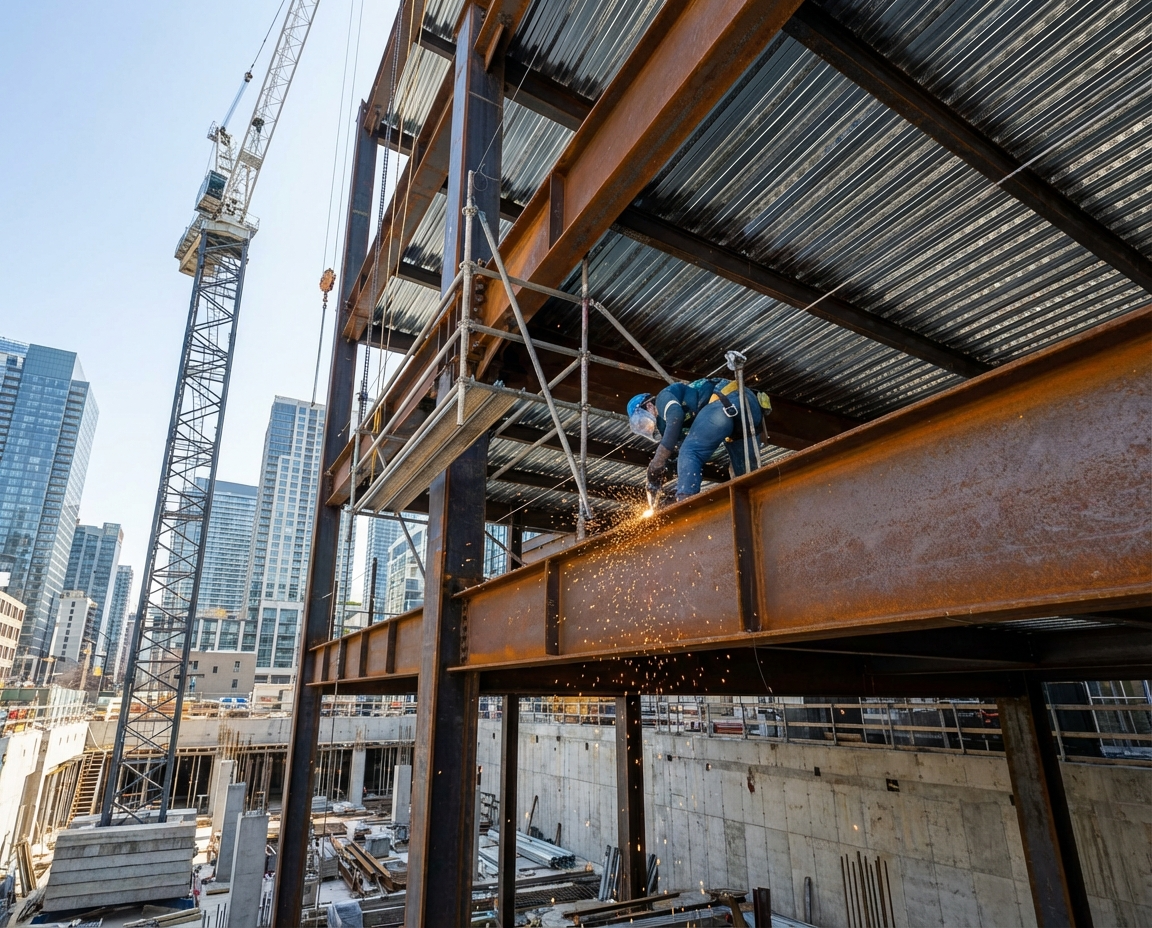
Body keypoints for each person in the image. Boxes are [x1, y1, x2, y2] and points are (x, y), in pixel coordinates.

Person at [627, 378, 763, 502]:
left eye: (643, 422)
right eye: (641, 427)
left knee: (690, 452)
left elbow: (676, 417)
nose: (646, 427)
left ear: (649, 406)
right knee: (745, 480)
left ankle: (685, 503)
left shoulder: (662, 399)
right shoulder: (671, 428)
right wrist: (669, 486)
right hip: (748, 411)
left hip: (726, 400)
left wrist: (657, 462)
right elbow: (685, 460)